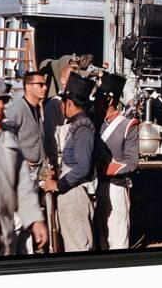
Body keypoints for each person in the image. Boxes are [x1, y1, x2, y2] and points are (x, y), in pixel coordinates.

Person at [0, 76, 47, 257]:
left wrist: (35, 220)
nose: (1, 105)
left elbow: (22, 185)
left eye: (4, 100)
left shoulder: (8, 136)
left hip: (3, 232)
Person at [43, 72, 96, 252]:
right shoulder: (78, 124)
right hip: (71, 193)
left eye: (63, 103)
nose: (61, 107)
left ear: (70, 103)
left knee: (79, 248)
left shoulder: (83, 126)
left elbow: (82, 167)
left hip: (75, 194)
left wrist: (59, 185)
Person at [93, 72, 140, 250]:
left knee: (118, 235)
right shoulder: (98, 124)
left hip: (117, 185)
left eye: (99, 99)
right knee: (101, 235)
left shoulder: (128, 125)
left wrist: (106, 168)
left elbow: (131, 162)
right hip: (99, 185)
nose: (96, 104)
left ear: (110, 100)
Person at [42, 65, 73, 168]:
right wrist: (54, 163)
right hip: (60, 160)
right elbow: (49, 135)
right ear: (62, 80)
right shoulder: (54, 104)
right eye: (72, 78)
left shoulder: (78, 104)